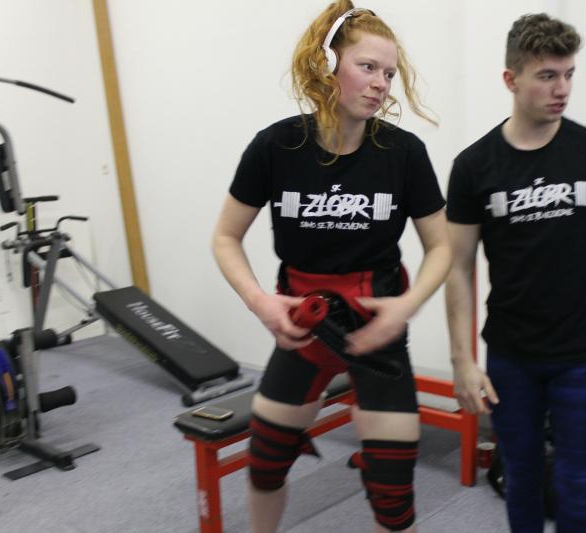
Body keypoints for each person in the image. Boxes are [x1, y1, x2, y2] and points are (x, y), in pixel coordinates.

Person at [211, 2, 450, 532]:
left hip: (376, 329)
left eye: (389, 73)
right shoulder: (276, 146)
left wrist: (407, 306)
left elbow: (442, 248)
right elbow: (225, 238)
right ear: (327, 66)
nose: (382, 84)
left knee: (393, 491)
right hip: (304, 328)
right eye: (368, 67)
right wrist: (260, 302)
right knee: (265, 464)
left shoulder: (403, 153)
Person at [444, 13, 586, 533]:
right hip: (511, 357)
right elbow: (458, 267)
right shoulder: (474, 166)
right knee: (521, 482)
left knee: (579, 487)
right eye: (547, 76)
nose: (562, 89)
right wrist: (462, 360)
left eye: (569, 74)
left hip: (585, 357)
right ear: (510, 80)